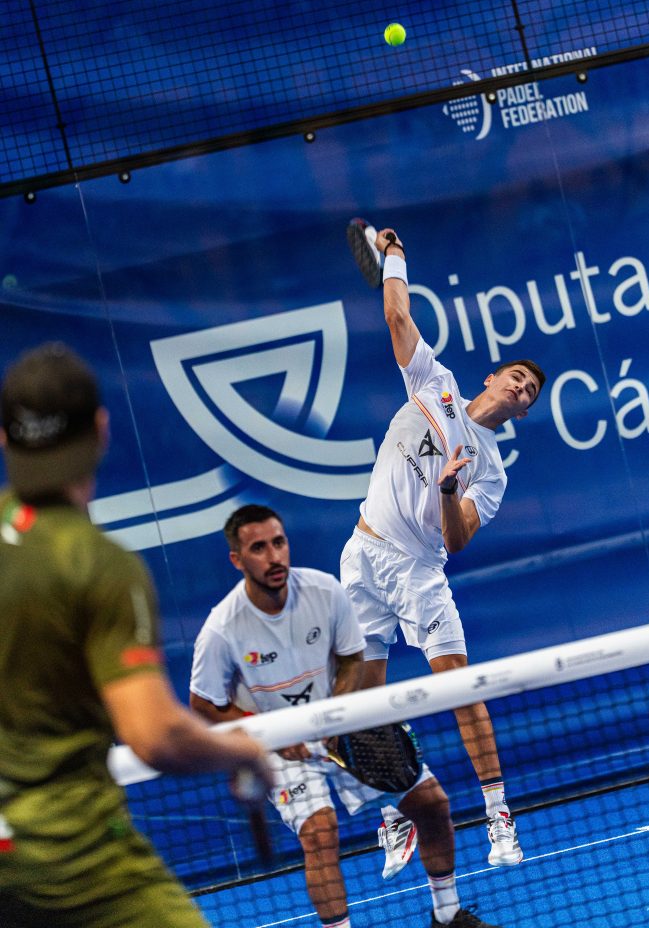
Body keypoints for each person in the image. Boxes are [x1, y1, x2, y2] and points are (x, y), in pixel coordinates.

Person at [0, 343, 273, 928]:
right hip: (69, 859)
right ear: (101, 430)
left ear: (5, 439)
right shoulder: (98, 566)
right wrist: (243, 751)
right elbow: (154, 735)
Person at [340, 225, 546, 878]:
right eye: (517, 377)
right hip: (361, 553)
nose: (521, 389)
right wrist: (395, 257)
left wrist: (450, 489)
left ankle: (498, 813)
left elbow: (457, 539)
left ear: (522, 413)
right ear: (493, 377)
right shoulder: (436, 385)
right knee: (359, 700)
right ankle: (397, 807)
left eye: (529, 393)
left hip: (418, 571)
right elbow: (397, 314)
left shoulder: (492, 472)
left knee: (458, 688)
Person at [190, 504, 500, 928]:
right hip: (280, 747)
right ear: (237, 560)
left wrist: (336, 714)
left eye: (278, 543)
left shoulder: (324, 592)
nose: (274, 556)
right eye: (258, 548)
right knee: (320, 832)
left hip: (339, 727)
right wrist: (267, 736)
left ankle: (447, 917)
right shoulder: (222, 628)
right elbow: (203, 703)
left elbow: (353, 658)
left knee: (433, 805)